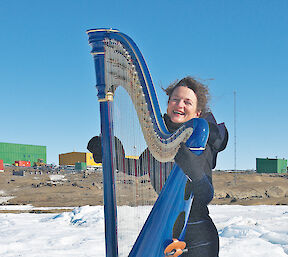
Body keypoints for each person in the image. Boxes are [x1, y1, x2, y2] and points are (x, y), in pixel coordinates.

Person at [88, 76, 228, 257]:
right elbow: (139, 167)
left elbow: (205, 194)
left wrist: (190, 166)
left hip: (198, 239)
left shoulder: (200, 143)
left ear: (197, 113)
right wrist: (110, 156)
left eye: (187, 102)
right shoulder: (163, 141)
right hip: (168, 231)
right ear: (168, 103)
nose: (180, 105)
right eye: (175, 99)